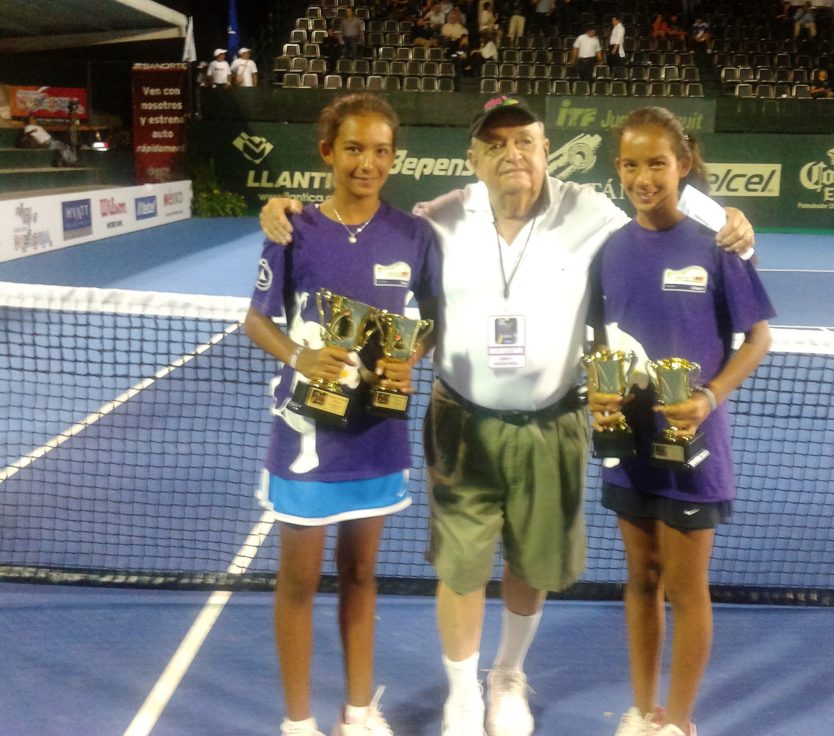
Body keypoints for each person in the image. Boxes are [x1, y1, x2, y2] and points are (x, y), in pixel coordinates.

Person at [256, 94, 755, 736]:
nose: (511, 154)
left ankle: (508, 675)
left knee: (531, 561)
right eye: (495, 144)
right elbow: (402, 288)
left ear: (549, 150)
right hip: (462, 420)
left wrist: (729, 217)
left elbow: (662, 201)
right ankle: (463, 694)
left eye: (525, 141)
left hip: (555, 421)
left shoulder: (592, 212)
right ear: (474, 158)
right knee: (461, 566)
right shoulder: (435, 219)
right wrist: (283, 209)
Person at [245, 94, 440, 736]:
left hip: (377, 435)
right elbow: (256, 320)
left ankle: (359, 711)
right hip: (305, 437)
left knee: (361, 574)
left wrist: (413, 356)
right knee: (299, 579)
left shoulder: (415, 235)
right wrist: (301, 356)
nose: (368, 163)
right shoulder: (293, 228)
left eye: (381, 151)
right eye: (355, 148)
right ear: (328, 152)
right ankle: (297, 721)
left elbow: (435, 320)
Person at [589, 106, 773, 736]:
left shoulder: (719, 245)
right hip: (629, 445)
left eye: (658, 163)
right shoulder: (609, 251)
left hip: (696, 443)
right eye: (632, 164)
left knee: (685, 588)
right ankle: (643, 712)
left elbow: (758, 338)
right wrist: (599, 391)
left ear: (684, 166)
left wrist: (710, 397)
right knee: (640, 578)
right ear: (617, 169)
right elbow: (598, 342)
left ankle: (681, 722)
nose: (645, 177)